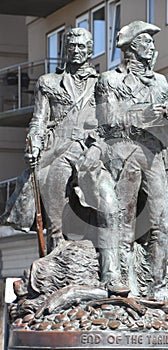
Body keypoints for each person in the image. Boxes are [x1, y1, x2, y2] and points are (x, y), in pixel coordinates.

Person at [78, 21, 168, 299]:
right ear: (132, 46)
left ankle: (158, 288)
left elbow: (166, 129)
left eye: (152, 43)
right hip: (122, 155)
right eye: (147, 42)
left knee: (160, 222)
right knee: (124, 221)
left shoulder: (160, 82)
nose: (153, 47)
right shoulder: (109, 80)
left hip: (154, 155)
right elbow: (108, 122)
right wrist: (144, 115)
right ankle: (121, 282)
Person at [1, 28, 98, 253]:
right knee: (53, 182)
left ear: (90, 51)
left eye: (81, 46)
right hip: (58, 148)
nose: (76, 50)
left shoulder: (101, 83)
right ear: (65, 50)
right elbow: (38, 120)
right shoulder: (48, 82)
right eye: (71, 46)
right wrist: (34, 144)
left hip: (90, 148)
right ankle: (56, 245)